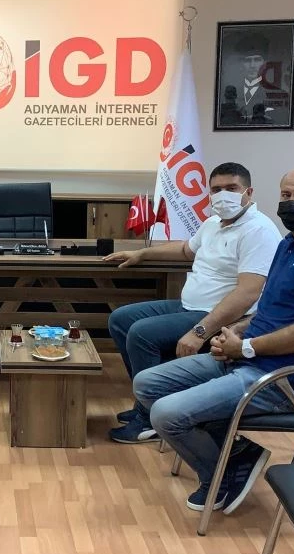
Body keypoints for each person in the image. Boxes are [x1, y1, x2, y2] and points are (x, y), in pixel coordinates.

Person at [134, 166, 294, 514]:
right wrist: (239, 330)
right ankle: (239, 453)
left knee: (166, 414)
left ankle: (222, 473)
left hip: (281, 379)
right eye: (286, 195)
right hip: (245, 357)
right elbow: (272, 310)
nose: (292, 203)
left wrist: (245, 347)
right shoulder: (290, 244)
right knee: (147, 384)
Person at [104, 162, 281, 444]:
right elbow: (187, 250)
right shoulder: (213, 223)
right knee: (121, 319)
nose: (223, 195)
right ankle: (149, 401)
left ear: (248, 192)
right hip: (189, 306)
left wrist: (199, 331)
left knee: (142, 333)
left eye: (231, 188)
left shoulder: (259, 231)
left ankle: (149, 419)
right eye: (216, 190)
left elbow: (248, 293)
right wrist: (142, 254)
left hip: (221, 318)